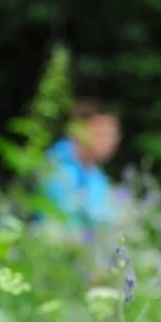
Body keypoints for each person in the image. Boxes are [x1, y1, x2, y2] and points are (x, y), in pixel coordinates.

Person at [41, 99, 122, 232]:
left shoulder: (95, 172)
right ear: (78, 132)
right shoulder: (57, 167)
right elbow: (58, 225)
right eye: (102, 134)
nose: (112, 142)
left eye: (114, 135)